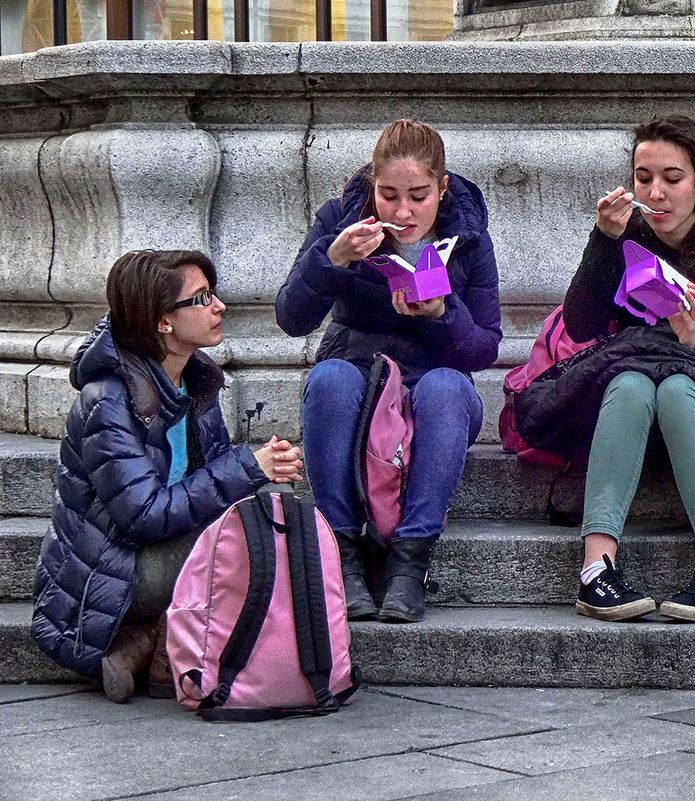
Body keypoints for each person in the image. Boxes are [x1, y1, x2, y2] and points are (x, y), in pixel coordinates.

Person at [32, 250, 303, 701]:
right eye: (201, 299)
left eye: (213, 294)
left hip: (162, 556)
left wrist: (262, 470)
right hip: (112, 577)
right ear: (163, 322)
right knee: (245, 530)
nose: (219, 307)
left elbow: (217, 483)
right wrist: (247, 468)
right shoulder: (108, 402)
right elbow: (145, 516)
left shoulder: (193, 383)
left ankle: (152, 649)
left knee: (267, 511)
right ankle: (152, 644)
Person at [276, 119, 501, 624]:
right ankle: (344, 556)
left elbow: (485, 347)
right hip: (359, 371)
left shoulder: (468, 236)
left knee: (446, 387)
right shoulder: (340, 219)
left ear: (442, 189)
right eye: (389, 195)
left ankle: (409, 563)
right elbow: (291, 318)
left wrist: (444, 314)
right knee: (330, 379)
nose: (403, 212)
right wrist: (331, 259)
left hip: (436, 382)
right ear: (372, 185)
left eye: (419, 196)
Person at [561, 114, 695, 623]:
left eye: (672, 179)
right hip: (628, 411)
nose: (655, 192)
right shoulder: (624, 235)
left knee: (680, 385)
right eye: (643, 178)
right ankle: (596, 568)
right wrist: (602, 240)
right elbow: (580, 323)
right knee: (633, 383)